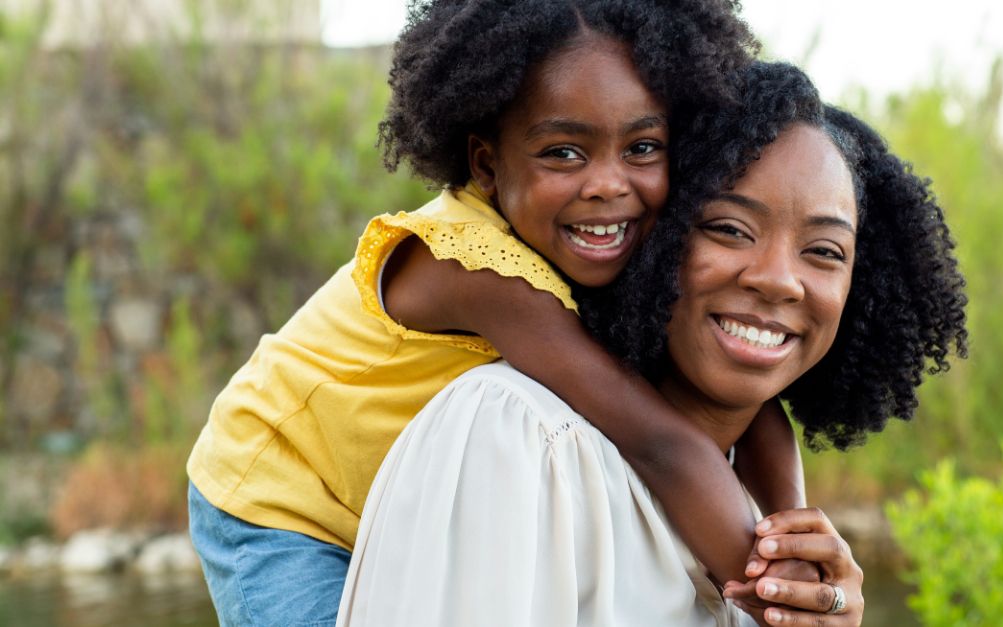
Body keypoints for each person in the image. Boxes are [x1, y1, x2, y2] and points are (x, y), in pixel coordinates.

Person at [186, 2, 805, 625]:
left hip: (386, 503)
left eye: (643, 147)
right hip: (279, 503)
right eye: (564, 153)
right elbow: (657, 439)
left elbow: (749, 410)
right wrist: (781, 596)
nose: (608, 185)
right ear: (486, 166)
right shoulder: (478, 271)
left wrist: (799, 533)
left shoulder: (590, 240)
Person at [336, 61, 969, 626]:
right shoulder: (521, 437)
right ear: (651, 234)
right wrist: (774, 584)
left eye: (824, 251)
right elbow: (662, 445)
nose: (778, 278)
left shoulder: (755, 500)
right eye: (729, 228)